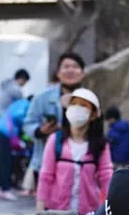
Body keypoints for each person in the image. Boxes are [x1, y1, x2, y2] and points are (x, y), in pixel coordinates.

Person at [36, 88, 113, 215]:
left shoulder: (100, 145)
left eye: (83, 105)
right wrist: (40, 207)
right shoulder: (56, 140)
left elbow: (106, 177)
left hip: (88, 214)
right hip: (57, 211)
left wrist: (111, 208)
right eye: (74, 104)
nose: (77, 108)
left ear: (93, 114)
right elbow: (46, 175)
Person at [23, 52, 86, 197]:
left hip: (81, 163)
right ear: (58, 73)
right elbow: (28, 124)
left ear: (83, 73)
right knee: (47, 210)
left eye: (75, 67)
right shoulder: (42, 98)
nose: (70, 70)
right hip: (48, 162)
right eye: (66, 67)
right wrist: (40, 131)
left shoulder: (89, 99)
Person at [0, 96, 32, 201]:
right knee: (5, 162)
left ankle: (3, 188)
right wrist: (26, 124)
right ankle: (5, 190)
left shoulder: (18, 102)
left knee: (1, 162)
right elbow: (19, 116)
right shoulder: (25, 104)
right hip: (4, 134)